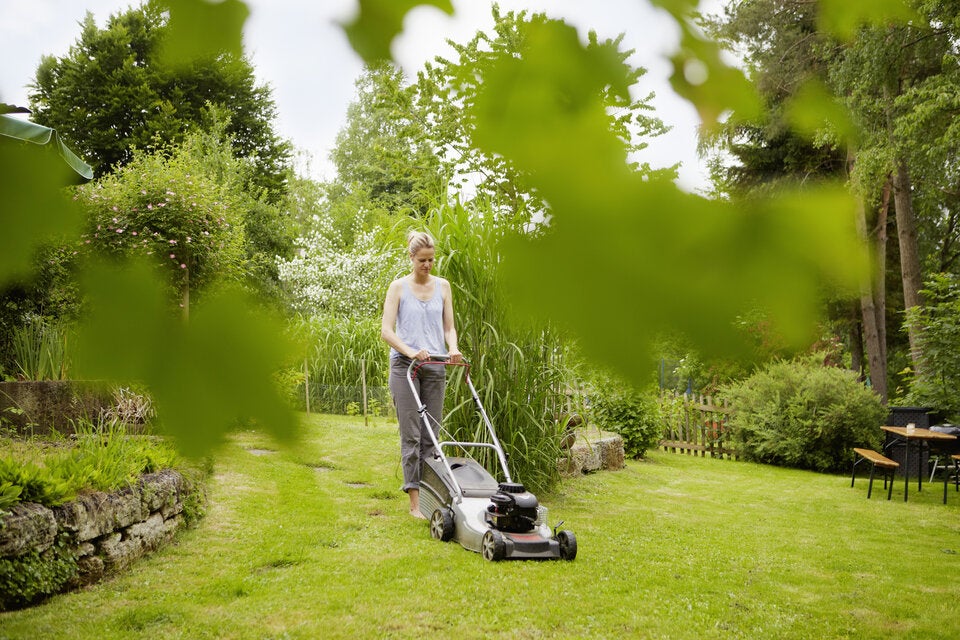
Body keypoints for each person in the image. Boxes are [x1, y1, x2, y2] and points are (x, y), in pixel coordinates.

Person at [381, 231, 462, 519]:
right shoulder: (398, 288)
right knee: (412, 435)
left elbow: (449, 327)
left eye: (431, 260)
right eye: (422, 260)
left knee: (432, 436)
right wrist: (412, 350)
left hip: (436, 366)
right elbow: (387, 332)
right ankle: (415, 504)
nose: (427, 265)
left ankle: (431, 499)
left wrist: (452, 347)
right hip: (405, 367)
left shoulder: (443, 287)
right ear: (411, 258)